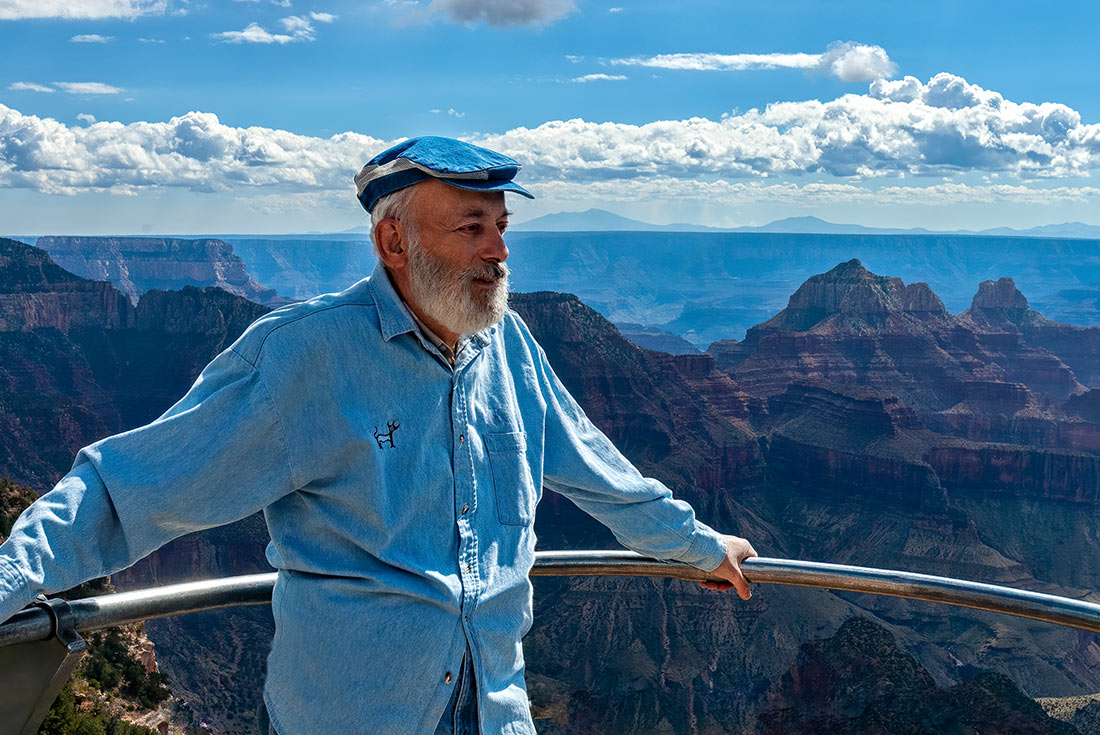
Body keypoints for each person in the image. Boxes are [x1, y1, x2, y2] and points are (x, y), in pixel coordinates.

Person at [0, 136, 757, 735]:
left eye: (501, 226)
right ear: (393, 242)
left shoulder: (510, 345)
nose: (499, 250)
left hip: (496, 711)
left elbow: (599, 470)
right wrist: (11, 579)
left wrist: (697, 545)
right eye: (471, 228)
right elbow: (129, 487)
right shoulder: (305, 356)